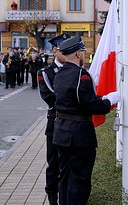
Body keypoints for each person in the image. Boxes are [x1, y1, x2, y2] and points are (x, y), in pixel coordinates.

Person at [53, 36, 121, 205]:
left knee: (65, 177)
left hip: (61, 132)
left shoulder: (59, 73)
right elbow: (90, 105)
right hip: (79, 135)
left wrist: (100, 99)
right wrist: (108, 101)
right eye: (83, 52)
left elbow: (76, 100)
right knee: (80, 180)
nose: (84, 55)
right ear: (77, 54)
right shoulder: (81, 75)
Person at [37, 33, 70, 205]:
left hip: (72, 124)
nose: (68, 54)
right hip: (56, 123)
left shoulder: (76, 70)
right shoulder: (46, 73)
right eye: (65, 50)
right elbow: (49, 98)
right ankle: (52, 197)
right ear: (55, 51)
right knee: (54, 163)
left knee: (69, 164)